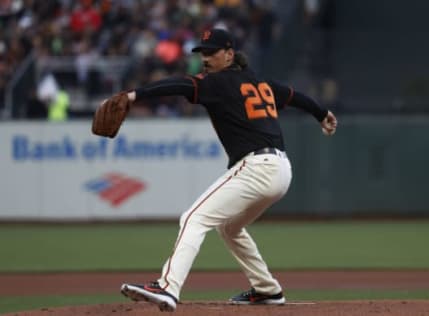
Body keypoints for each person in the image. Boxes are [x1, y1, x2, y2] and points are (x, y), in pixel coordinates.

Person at [120, 28, 337, 312]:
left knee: (193, 218)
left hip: (257, 167)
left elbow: (177, 85)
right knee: (230, 227)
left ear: (230, 54)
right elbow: (296, 97)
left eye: (211, 53)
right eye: (202, 53)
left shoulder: (217, 83)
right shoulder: (262, 83)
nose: (206, 59)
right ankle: (267, 290)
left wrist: (135, 95)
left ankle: (168, 286)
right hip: (281, 170)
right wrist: (322, 114)